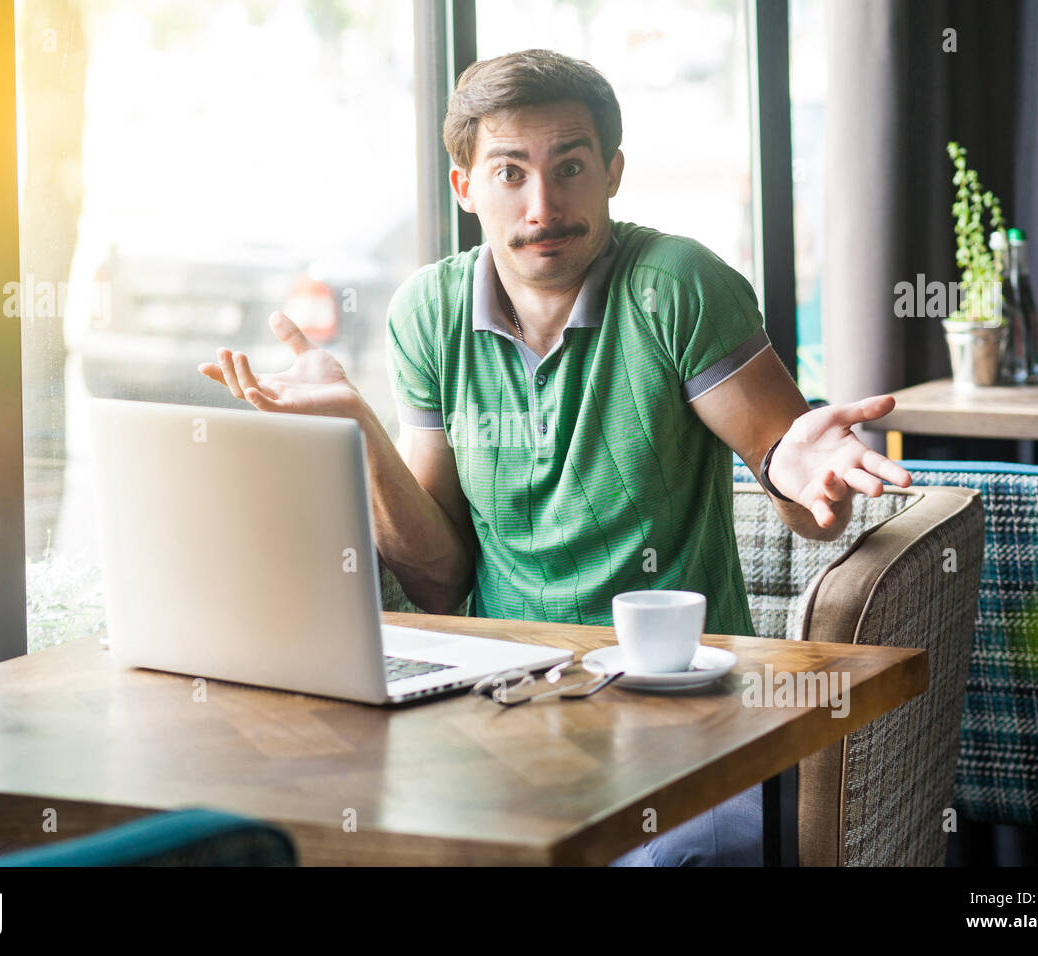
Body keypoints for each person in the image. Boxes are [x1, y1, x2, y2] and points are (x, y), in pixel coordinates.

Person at [198, 48, 912, 865]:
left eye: (570, 166)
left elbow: (784, 462)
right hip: (502, 705)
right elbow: (441, 576)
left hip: (679, 714)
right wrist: (356, 428)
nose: (544, 205)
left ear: (611, 171)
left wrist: (802, 466)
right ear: (465, 187)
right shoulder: (427, 312)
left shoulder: (675, 284)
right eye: (510, 172)